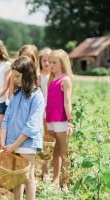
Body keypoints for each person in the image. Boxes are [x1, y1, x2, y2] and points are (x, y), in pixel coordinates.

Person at [1, 56, 44, 200]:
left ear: (27, 75)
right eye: (13, 76)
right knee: (17, 178)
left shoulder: (37, 97)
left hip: (27, 144)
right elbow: (6, 119)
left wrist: (15, 145)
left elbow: (32, 126)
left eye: (17, 76)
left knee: (28, 177)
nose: (14, 79)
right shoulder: (16, 95)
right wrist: (3, 141)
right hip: (12, 143)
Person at [45, 49, 73, 189]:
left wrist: (70, 122)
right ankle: (55, 181)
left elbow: (67, 102)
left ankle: (66, 183)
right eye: (49, 62)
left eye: (54, 62)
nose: (50, 64)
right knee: (55, 152)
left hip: (61, 121)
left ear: (62, 63)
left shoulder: (65, 79)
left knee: (63, 152)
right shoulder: (51, 79)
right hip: (50, 120)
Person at [38, 47, 52, 181]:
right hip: (40, 110)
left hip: (52, 111)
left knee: (49, 139)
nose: (47, 63)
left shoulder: (54, 75)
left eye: (49, 60)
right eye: (44, 60)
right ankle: (37, 165)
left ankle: (46, 169)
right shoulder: (38, 75)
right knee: (41, 138)